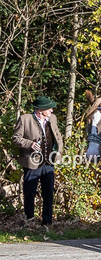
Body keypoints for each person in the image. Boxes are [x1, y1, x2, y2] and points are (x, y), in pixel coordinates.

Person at [12, 96, 64, 227]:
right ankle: (29, 220)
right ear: (41, 110)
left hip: (48, 162)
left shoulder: (53, 118)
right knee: (29, 193)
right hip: (31, 162)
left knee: (48, 193)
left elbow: (58, 136)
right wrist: (29, 144)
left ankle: (47, 221)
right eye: (49, 108)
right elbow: (15, 138)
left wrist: (58, 152)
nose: (52, 110)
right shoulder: (25, 119)